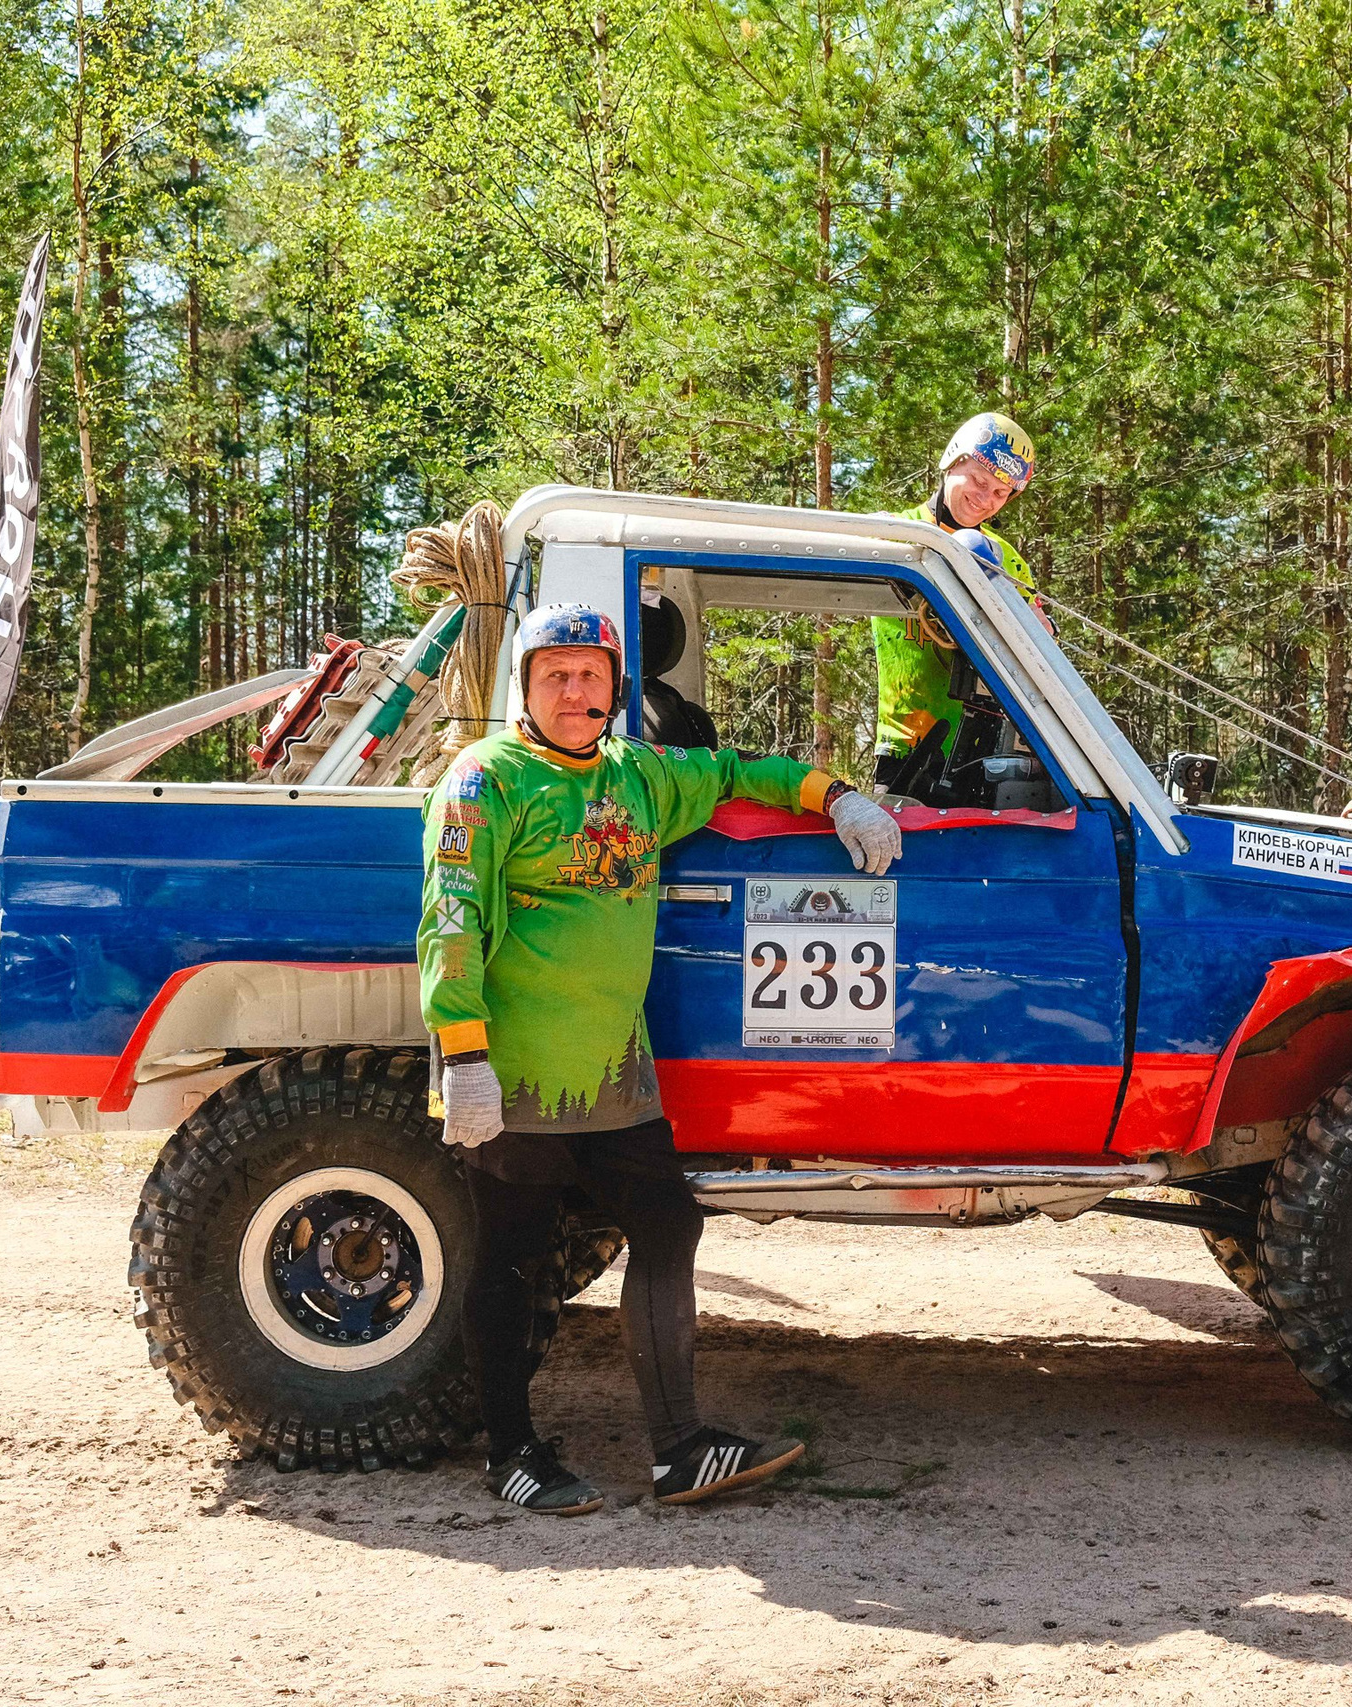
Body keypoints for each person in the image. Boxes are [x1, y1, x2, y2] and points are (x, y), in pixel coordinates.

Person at [418, 602, 902, 1515]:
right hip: (513, 1073)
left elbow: (731, 771)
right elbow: (449, 922)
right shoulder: (484, 782)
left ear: (616, 690)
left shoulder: (637, 773)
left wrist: (835, 795)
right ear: (524, 684)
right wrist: (463, 1054)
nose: (575, 689)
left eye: (591, 675)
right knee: (515, 1255)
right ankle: (511, 1452)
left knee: (668, 1221)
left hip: (613, 1070)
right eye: (556, 673)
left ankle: (680, 1451)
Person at [871, 411, 1038, 793]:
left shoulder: (1008, 561)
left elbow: (1041, 649)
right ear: (952, 461)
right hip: (903, 748)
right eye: (979, 480)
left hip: (983, 754)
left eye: (1000, 493)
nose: (984, 499)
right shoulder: (892, 533)